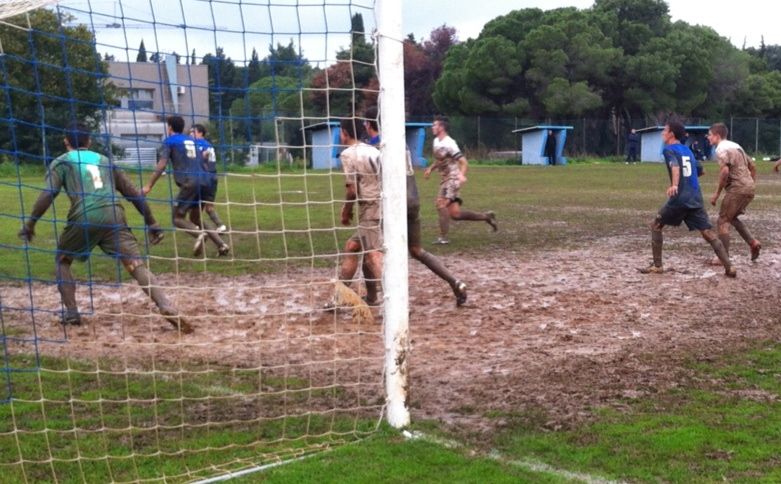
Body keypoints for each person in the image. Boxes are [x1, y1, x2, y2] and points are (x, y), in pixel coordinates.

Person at [18, 122, 191, 333]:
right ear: (89, 141)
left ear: (66, 142)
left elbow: (48, 194)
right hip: (114, 215)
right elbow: (132, 193)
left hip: (85, 215)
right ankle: (165, 304)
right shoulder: (104, 160)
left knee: (63, 259)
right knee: (136, 265)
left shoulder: (61, 162)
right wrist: (152, 222)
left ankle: (72, 313)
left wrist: (30, 224)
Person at [363, 107, 467, 306]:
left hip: (394, 203)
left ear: (369, 124)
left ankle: (378, 299)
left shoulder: (375, 147)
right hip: (413, 200)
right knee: (417, 249)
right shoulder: (400, 143)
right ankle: (456, 282)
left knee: (369, 248)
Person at [639, 120, 735, 277]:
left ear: (671, 134)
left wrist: (675, 184)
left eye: (665, 131)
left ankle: (657, 266)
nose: (663, 133)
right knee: (707, 232)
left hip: (679, 198)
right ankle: (729, 267)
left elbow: (675, 166)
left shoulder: (669, 149)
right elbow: (700, 171)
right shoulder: (687, 150)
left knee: (656, 225)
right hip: (695, 197)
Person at [143, 116, 229, 257]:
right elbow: (203, 160)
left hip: (191, 183)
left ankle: (199, 234)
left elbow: (162, 164)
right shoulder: (192, 141)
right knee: (196, 219)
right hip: (206, 182)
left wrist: (148, 186)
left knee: (177, 218)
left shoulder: (170, 141)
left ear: (169, 127)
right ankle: (222, 245)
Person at [424, 115, 497, 245]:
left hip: (453, 179)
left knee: (441, 205)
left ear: (441, 127)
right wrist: (431, 168)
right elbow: (440, 159)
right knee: (455, 214)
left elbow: (463, 162)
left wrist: (461, 176)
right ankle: (486, 217)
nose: (432, 127)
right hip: (445, 179)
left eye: (434, 125)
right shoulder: (436, 141)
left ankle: (443, 238)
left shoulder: (450, 143)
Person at [335, 118, 384, 306]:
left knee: (373, 255)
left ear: (345, 133)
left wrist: (346, 211)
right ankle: (338, 298)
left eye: (340, 131)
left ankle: (394, 301)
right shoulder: (374, 150)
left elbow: (352, 190)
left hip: (371, 208)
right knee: (352, 246)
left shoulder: (348, 154)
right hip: (382, 205)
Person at [707, 122, 761, 263]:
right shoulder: (737, 146)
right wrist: (750, 184)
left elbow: (724, 172)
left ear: (717, 136)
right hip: (748, 187)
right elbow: (753, 166)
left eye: (710, 135)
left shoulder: (721, 149)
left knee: (723, 220)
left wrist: (717, 194)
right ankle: (752, 242)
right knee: (732, 218)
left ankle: (723, 258)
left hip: (737, 188)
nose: (708, 137)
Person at [190, 124, 226, 233]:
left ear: (200, 133)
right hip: (212, 176)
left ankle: (196, 225)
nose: (191, 134)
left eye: (193, 132)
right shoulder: (208, 144)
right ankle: (220, 225)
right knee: (208, 206)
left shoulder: (199, 144)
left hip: (204, 178)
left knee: (194, 203)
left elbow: (204, 156)